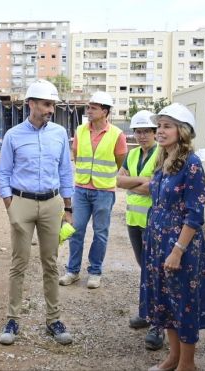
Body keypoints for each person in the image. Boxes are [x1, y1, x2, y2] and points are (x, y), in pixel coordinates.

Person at [0, 79, 74, 346]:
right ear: (31, 104)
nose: (50, 109)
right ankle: (12, 319)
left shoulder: (60, 134)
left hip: (52, 204)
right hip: (22, 203)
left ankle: (53, 320)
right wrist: (11, 206)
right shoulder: (13, 135)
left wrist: (68, 208)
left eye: (52, 104)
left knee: (51, 264)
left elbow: (65, 171)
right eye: (45, 104)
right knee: (19, 264)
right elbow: (3, 173)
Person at [139, 103, 205, 371]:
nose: (159, 131)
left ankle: (187, 364)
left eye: (167, 126)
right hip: (158, 242)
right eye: (159, 125)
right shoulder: (162, 159)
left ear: (182, 131)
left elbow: (195, 213)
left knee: (184, 305)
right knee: (165, 302)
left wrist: (178, 249)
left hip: (180, 245)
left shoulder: (192, 164)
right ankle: (173, 358)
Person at [59, 91, 127, 289]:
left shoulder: (117, 134)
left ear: (104, 111)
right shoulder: (80, 130)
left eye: (93, 108)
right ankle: (72, 271)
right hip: (81, 189)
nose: (89, 111)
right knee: (75, 230)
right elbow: (77, 155)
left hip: (104, 191)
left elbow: (119, 160)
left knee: (100, 233)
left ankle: (95, 272)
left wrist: (102, 176)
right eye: (88, 107)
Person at [116, 110, 164, 351]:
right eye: (138, 131)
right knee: (145, 269)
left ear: (155, 132)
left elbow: (154, 189)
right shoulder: (132, 154)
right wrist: (140, 182)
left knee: (155, 271)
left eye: (147, 131)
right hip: (134, 220)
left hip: (153, 222)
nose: (142, 135)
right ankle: (147, 313)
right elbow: (118, 181)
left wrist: (133, 183)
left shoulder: (162, 154)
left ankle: (159, 324)